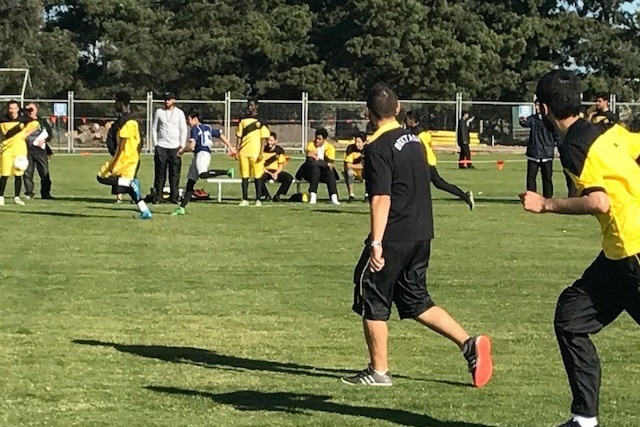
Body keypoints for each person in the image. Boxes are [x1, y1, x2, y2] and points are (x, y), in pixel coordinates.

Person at [341, 82, 493, 388]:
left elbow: (381, 197)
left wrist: (376, 243)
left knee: (372, 293)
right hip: (422, 232)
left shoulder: (377, 148)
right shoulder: (414, 141)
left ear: (368, 114)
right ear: (397, 109)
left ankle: (379, 371)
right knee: (416, 300)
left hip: (395, 234)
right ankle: (469, 344)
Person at [520, 69, 640, 427]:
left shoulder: (573, 145)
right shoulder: (606, 128)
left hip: (632, 250)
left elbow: (599, 202)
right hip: (617, 254)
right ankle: (584, 419)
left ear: (542, 109)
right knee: (571, 317)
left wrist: (545, 204)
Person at [96, 91, 152, 220]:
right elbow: (140, 142)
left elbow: (122, 144)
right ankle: (145, 211)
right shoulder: (133, 120)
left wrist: (116, 159)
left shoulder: (127, 122)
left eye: (116, 102)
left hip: (125, 160)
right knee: (130, 188)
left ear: (121, 103)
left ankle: (130, 183)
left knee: (101, 177)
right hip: (132, 158)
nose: (114, 104)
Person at [406, 111, 474, 209]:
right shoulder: (423, 132)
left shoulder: (416, 134)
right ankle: (465, 196)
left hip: (424, 163)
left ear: (412, 120)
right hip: (427, 162)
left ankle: (465, 196)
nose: (406, 121)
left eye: (407, 119)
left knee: (424, 185)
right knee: (439, 184)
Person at [172, 110, 235, 215]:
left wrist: (182, 151)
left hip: (202, 154)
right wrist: (231, 147)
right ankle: (181, 208)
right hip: (200, 154)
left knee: (203, 174)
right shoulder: (208, 127)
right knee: (190, 182)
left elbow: (192, 145)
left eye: (189, 120)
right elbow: (221, 134)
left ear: (195, 119)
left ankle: (227, 172)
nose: (188, 122)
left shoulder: (195, 129)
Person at [0, 100, 39, 206]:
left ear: (18, 109)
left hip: (20, 149)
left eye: (14, 108)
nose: (12, 111)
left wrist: (26, 134)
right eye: (10, 108)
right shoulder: (2, 119)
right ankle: (1, 197)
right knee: (4, 174)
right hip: (6, 150)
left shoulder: (24, 119)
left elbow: (36, 123)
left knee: (19, 173)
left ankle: (17, 197)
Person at [152, 91, 187, 204]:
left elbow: (183, 129)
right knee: (160, 173)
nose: (167, 102)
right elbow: (154, 128)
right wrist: (155, 144)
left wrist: (182, 145)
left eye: (169, 99)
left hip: (175, 147)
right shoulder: (159, 112)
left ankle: (174, 197)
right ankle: (158, 196)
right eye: (165, 99)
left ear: (174, 100)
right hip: (161, 146)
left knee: (174, 173)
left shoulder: (179, 113)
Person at [519, 102, 557, 199]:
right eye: (535, 105)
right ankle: (531, 196)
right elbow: (525, 123)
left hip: (547, 153)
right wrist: (522, 120)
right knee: (531, 177)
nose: (536, 107)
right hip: (534, 152)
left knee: (547, 178)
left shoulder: (550, 120)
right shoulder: (533, 119)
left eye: (538, 105)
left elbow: (556, 135)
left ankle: (548, 197)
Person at [236, 97, 269, 206]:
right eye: (249, 105)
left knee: (257, 176)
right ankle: (244, 199)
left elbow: (263, 137)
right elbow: (239, 135)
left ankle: (258, 199)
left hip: (256, 152)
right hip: (244, 152)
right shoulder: (243, 120)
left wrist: (261, 152)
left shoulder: (261, 120)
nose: (250, 107)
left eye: (252, 105)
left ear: (256, 106)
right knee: (244, 176)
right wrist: (237, 150)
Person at [295, 128, 340, 205]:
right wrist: (324, 163)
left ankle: (334, 196)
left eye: (319, 139)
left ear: (324, 139)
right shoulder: (311, 145)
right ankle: (313, 195)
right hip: (309, 172)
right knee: (315, 169)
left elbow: (330, 164)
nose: (317, 141)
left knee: (330, 172)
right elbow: (310, 161)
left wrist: (316, 158)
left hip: (323, 173)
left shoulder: (330, 148)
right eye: (316, 138)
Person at [23, 102, 54, 200]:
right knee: (28, 172)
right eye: (29, 109)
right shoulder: (23, 121)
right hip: (27, 150)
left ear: (36, 110)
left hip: (40, 151)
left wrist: (44, 140)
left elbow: (50, 135)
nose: (30, 111)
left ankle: (45, 193)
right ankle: (29, 193)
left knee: (44, 173)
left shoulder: (42, 121)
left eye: (32, 109)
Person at [260, 131, 293, 202]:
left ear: (275, 141)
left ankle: (278, 195)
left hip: (276, 171)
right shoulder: (262, 150)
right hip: (265, 171)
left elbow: (280, 165)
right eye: (268, 140)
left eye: (271, 140)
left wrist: (276, 173)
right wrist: (270, 173)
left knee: (288, 178)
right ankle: (266, 195)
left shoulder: (280, 150)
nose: (269, 142)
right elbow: (260, 166)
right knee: (259, 178)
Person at [343, 132, 365, 202]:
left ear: (364, 142)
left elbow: (366, 165)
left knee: (371, 172)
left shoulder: (368, 149)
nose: (356, 144)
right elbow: (348, 164)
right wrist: (359, 166)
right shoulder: (351, 148)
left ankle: (367, 194)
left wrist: (355, 166)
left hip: (364, 171)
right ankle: (351, 195)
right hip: (354, 171)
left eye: (359, 142)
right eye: (356, 141)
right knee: (349, 172)